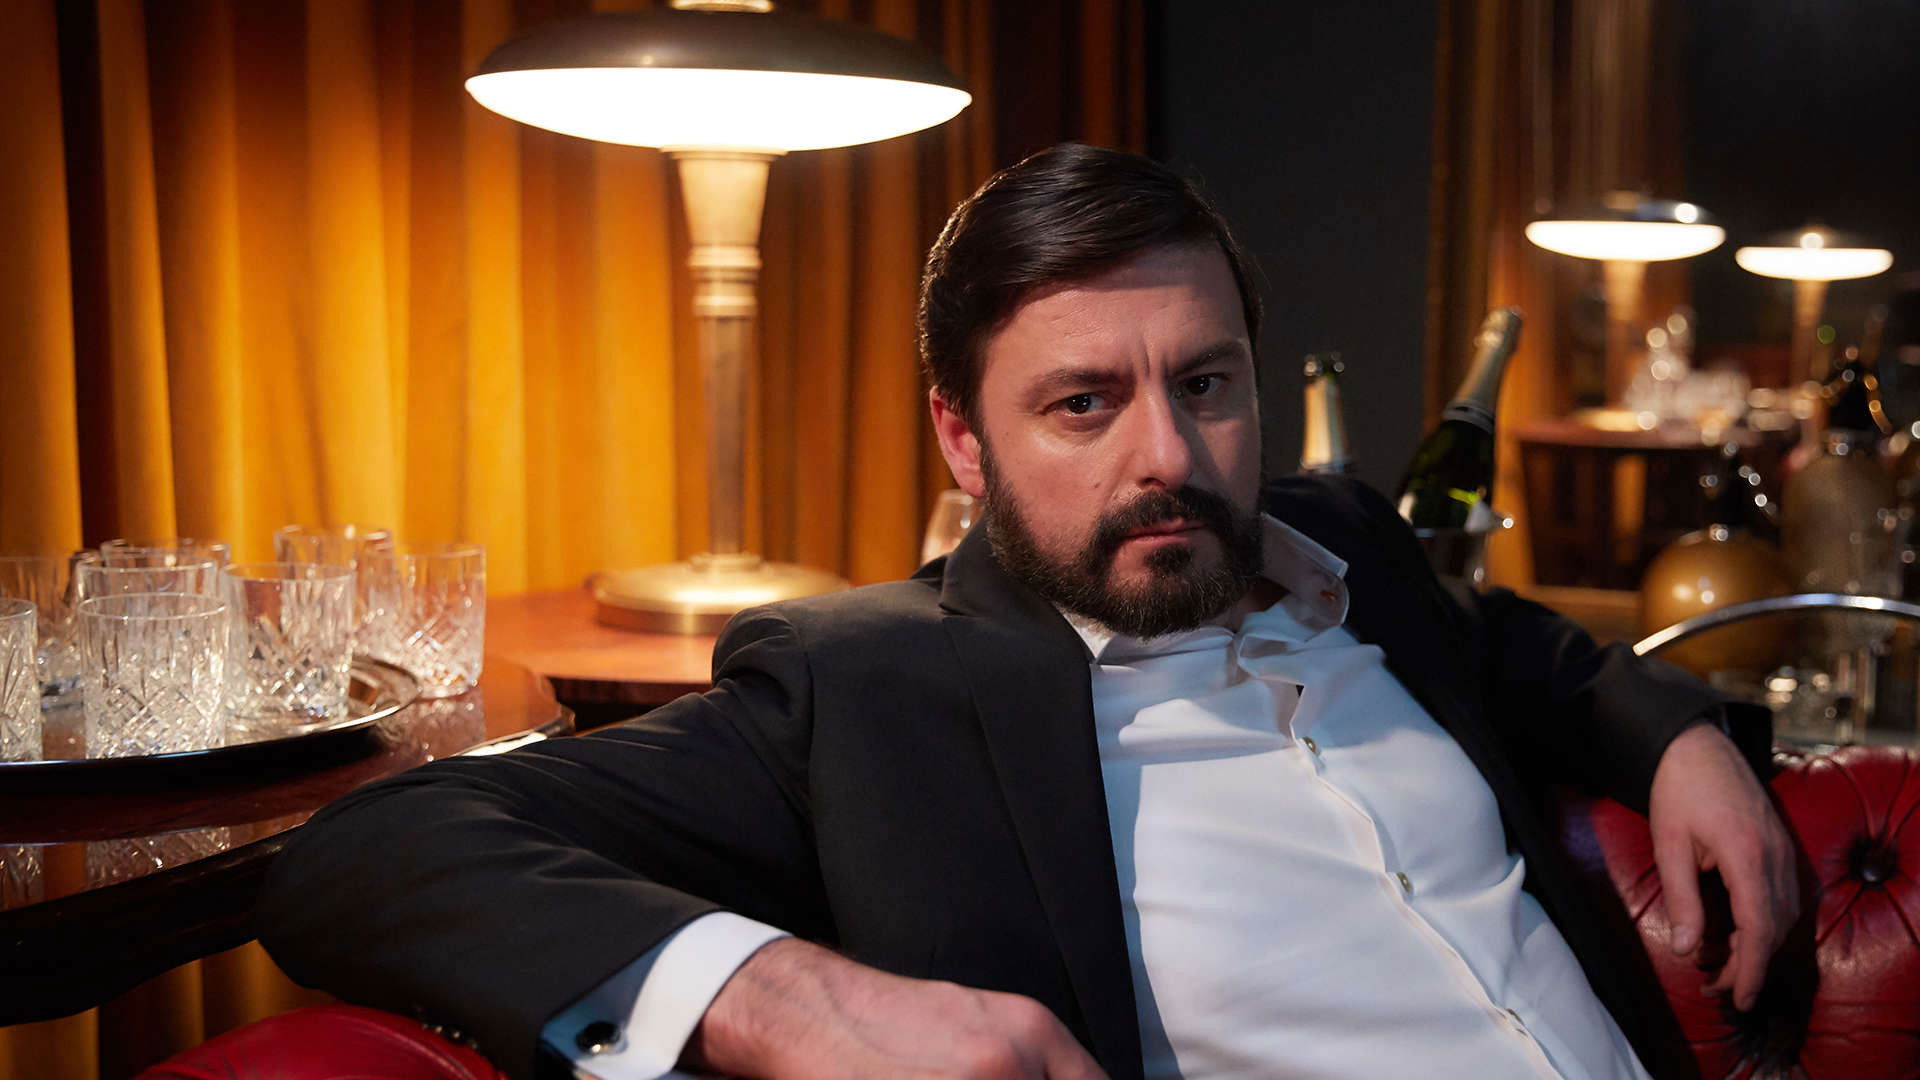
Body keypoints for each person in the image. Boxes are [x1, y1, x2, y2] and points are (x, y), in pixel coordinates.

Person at [259, 144, 1798, 1080]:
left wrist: (1676, 738)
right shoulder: (867, 689)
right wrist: (780, 998)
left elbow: (1517, 643)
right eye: (1082, 405)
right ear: (962, 438)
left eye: (1207, 384)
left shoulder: (1346, 542)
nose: (1168, 456)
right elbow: (366, 855)